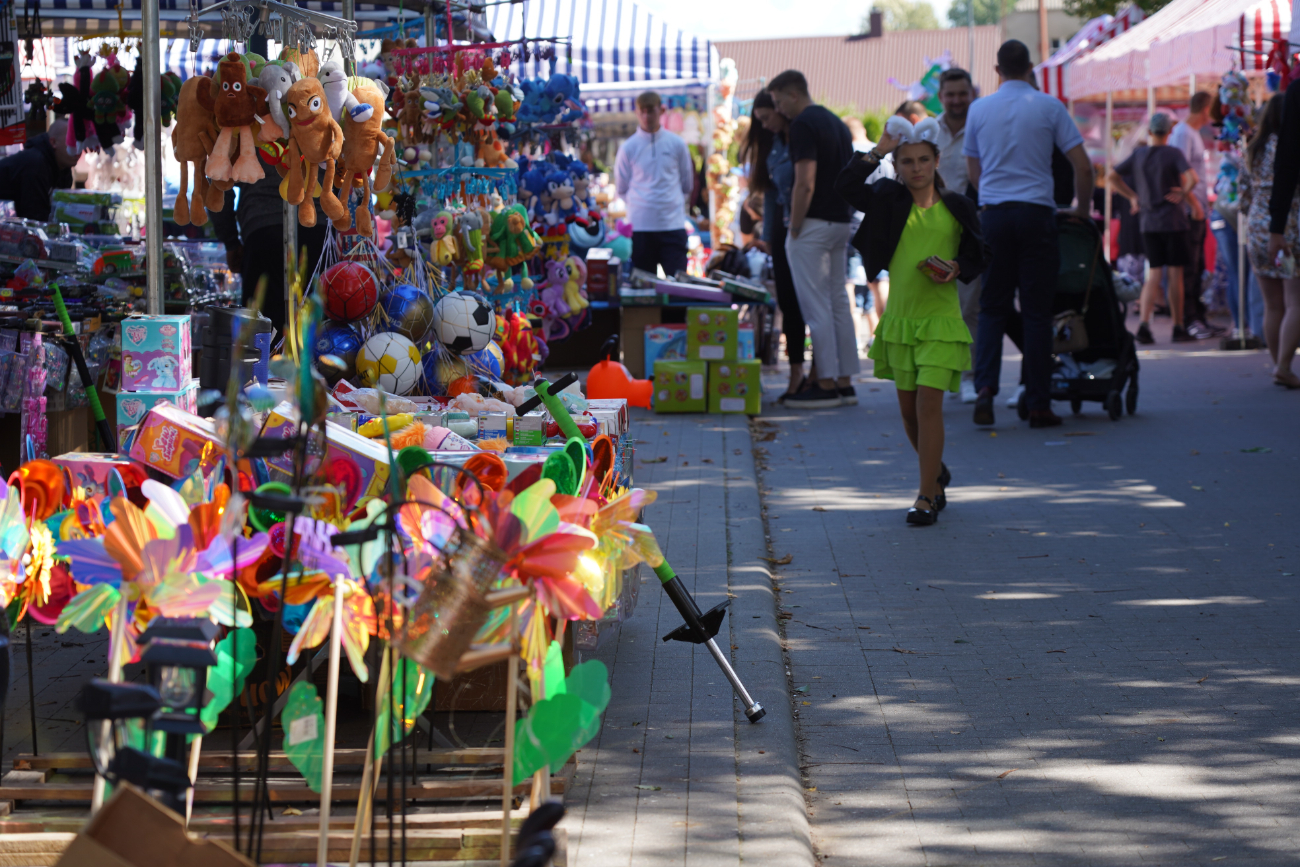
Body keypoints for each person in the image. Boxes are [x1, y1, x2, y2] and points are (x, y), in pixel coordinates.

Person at [836, 116, 988, 525]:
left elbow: (980, 254)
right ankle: (935, 472)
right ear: (898, 166)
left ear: (937, 161)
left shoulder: (957, 206)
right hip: (901, 320)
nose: (916, 168)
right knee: (907, 412)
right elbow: (846, 187)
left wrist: (957, 267)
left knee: (927, 405)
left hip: (941, 321)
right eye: (907, 161)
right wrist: (880, 148)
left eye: (924, 159)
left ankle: (926, 495)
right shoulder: (888, 198)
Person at [964, 39, 1092, 428]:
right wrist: (1081, 212)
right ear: (1031, 67)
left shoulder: (979, 109)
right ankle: (1038, 403)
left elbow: (973, 168)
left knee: (992, 308)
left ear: (996, 69)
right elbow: (1083, 167)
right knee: (1037, 314)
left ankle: (984, 388)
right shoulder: (1050, 107)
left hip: (995, 216)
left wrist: (989, 197)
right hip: (1038, 214)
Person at [767, 69, 858, 409]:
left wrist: (795, 225)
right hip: (839, 221)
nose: (780, 110)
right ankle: (845, 381)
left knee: (816, 305)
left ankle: (825, 382)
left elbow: (806, 180)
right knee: (837, 302)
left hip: (813, 223)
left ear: (792, 95)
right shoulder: (836, 122)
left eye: (778, 102)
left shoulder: (804, 124)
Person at [210, 149, 329, 337]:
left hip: (262, 229)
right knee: (319, 329)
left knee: (262, 332)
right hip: (317, 224)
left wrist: (230, 241)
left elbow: (219, 181)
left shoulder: (244, 122)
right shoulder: (326, 119)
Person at [1109, 113, 1199, 345]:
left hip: (1148, 222)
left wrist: (1132, 198)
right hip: (1173, 221)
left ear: (1149, 132)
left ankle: (1144, 325)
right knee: (1175, 274)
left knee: (1154, 274)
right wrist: (1183, 192)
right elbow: (1192, 178)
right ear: (1169, 131)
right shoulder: (1173, 153)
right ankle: (1178, 326)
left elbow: (1112, 176)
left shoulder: (1139, 155)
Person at [743, 90, 807, 399]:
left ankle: (817, 374)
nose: (765, 125)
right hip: (782, 232)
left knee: (806, 302)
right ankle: (796, 372)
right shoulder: (772, 144)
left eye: (769, 117)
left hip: (801, 228)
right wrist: (768, 237)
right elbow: (769, 195)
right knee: (789, 303)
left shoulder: (799, 137)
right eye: (761, 121)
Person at [1240, 94, 1300, 388]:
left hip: (1257, 226)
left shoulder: (1254, 148)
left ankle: (1278, 364)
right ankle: (1285, 365)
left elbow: (1242, 196)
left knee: (1272, 304)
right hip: (1289, 224)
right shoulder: (1290, 146)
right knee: (1296, 302)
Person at [934, 67, 981, 404]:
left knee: (968, 308)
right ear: (940, 97)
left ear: (971, 94)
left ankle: (969, 376)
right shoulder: (927, 131)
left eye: (962, 94)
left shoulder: (982, 127)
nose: (956, 100)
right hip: (931, 231)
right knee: (935, 308)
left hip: (970, 231)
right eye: (950, 94)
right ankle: (939, 373)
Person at [614, 91, 695, 277]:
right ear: (636, 112)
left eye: (650, 111)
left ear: (662, 110)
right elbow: (621, 188)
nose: (646, 116)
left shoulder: (677, 144)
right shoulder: (628, 147)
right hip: (641, 227)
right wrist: (641, 205)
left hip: (672, 224)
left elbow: (687, 184)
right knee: (643, 292)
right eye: (642, 111)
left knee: (678, 288)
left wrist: (668, 202)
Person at [1168, 91, 1225, 339]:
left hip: (1196, 209)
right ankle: (1191, 319)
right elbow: (1179, 173)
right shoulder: (1183, 133)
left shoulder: (1188, 133)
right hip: (1190, 211)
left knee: (1198, 264)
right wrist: (1193, 204)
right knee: (1190, 266)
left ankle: (1197, 317)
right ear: (1205, 108)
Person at [0, 118, 78, 222]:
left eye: (81, 142)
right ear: (53, 142)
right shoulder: (35, 164)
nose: (79, 149)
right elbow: (34, 218)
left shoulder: (64, 170)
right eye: (72, 142)